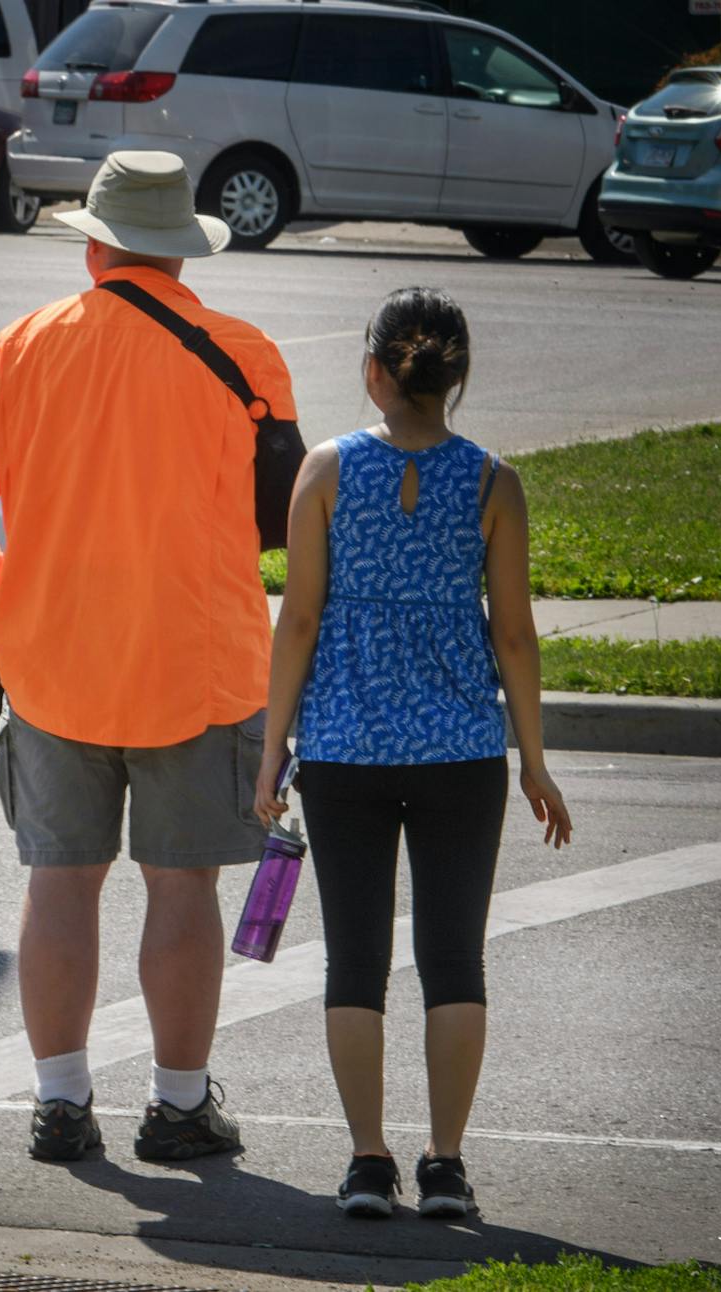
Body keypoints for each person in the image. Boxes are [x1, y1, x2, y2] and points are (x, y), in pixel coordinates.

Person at [0, 151, 298, 1164]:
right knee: (182, 889)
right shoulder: (246, 353)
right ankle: (179, 1105)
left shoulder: (25, 346)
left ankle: (60, 1100)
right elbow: (280, 518)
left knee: (60, 882)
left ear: (92, 245)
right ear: (182, 249)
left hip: (53, 662)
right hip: (198, 662)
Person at [252, 287, 572, 1220]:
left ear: (372, 371)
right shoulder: (491, 483)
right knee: (453, 959)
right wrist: (535, 759)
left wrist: (275, 749)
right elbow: (514, 634)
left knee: (353, 960)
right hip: (462, 751)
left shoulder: (324, 470)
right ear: (457, 378)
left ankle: (365, 1164)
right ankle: (446, 1165)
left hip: (346, 747)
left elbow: (300, 618)